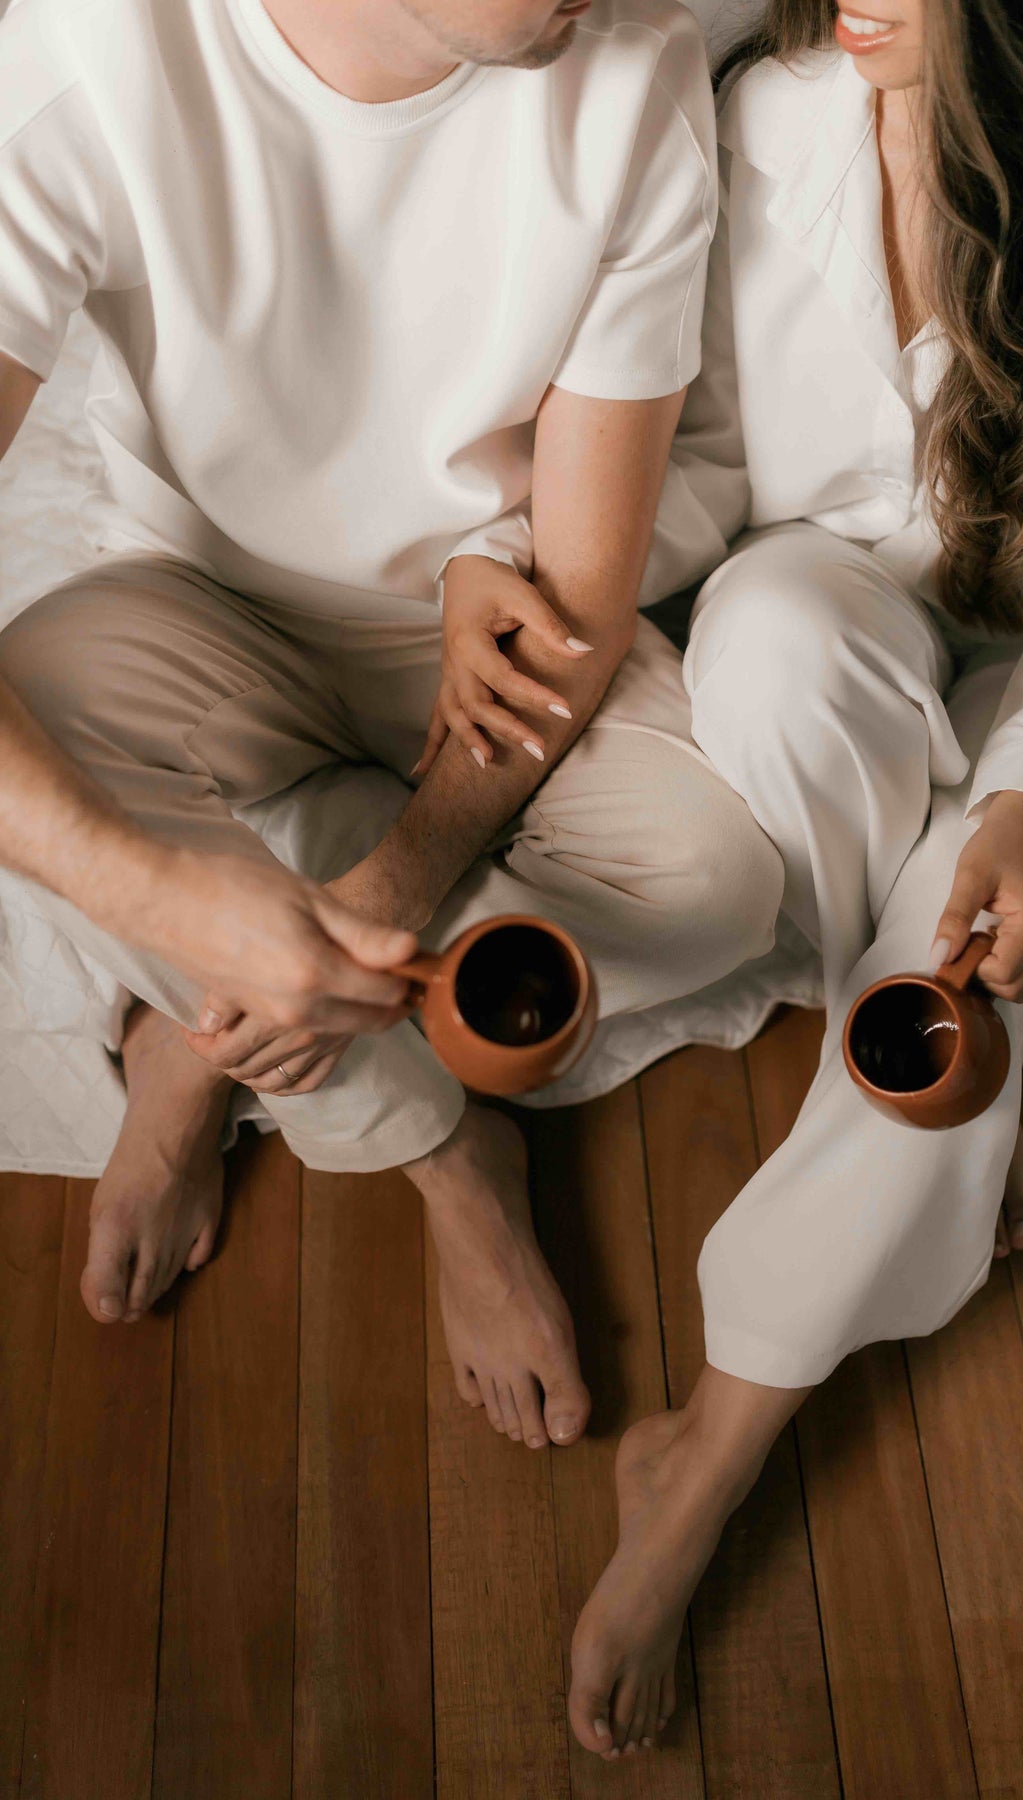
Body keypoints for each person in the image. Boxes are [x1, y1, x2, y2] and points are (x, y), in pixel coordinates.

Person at [450, 0, 1023, 1757]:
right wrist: (515, 572)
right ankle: (948, 1101)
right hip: (834, 609)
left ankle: (709, 1449)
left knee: (1005, 855)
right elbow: (692, 480)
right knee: (776, 639)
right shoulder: (769, 110)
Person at [0, 0, 786, 1455]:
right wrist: (166, 890)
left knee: (723, 879)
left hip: (485, 610)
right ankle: (444, 1156)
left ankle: (203, 1032)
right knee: (35, 749)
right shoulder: (77, 54)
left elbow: (585, 598)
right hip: (203, 601)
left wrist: (391, 881)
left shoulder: (634, 53)